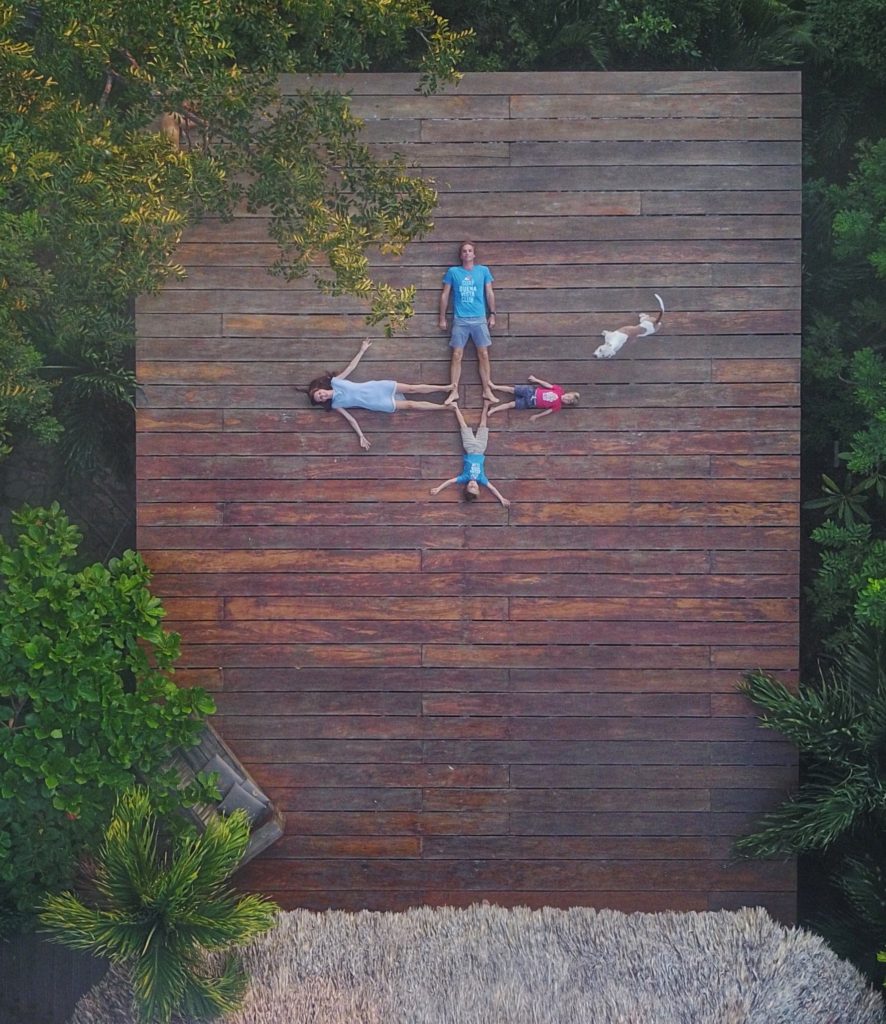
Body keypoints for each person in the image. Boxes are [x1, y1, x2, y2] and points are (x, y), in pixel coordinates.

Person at [307, 338, 455, 450]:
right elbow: (351, 420)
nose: (321, 396)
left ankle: (444, 388)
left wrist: (362, 350)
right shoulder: (336, 405)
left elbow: (351, 367)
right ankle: (443, 407)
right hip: (376, 403)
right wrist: (361, 436)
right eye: (319, 399)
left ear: (321, 389)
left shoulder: (335, 381)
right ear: (322, 401)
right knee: (410, 404)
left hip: (378, 387)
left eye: (319, 393)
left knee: (412, 389)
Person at [438, 240, 498, 404]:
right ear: (460, 255)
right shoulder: (453, 272)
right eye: (464, 251)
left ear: (474, 254)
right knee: (457, 355)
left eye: (470, 251)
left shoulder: (483, 271)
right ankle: (454, 391)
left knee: (484, 354)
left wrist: (492, 314)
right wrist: (442, 317)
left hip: (479, 318)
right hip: (460, 319)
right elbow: (445, 295)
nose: (467, 253)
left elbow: (489, 293)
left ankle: (487, 389)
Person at [428, 403, 510, 506]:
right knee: (483, 426)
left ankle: (455, 408)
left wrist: (438, 488)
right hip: (481, 449)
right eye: (475, 487)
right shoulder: (481, 479)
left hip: (470, 448)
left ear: (466, 486)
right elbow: (492, 488)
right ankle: (485, 405)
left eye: (470, 487)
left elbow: (450, 481)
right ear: (478, 487)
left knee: (463, 426)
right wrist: (501, 498)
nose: (473, 485)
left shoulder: (464, 477)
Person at [488, 375, 580, 422]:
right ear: (568, 393)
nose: (566, 399)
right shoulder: (559, 390)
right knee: (511, 389)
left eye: (568, 401)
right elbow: (547, 385)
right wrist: (536, 380)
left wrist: (537, 416)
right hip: (531, 391)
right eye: (568, 397)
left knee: (511, 404)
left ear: (567, 404)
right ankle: (494, 387)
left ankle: (493, 410)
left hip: (531, 403)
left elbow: (547, 411)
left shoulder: (558, 406)